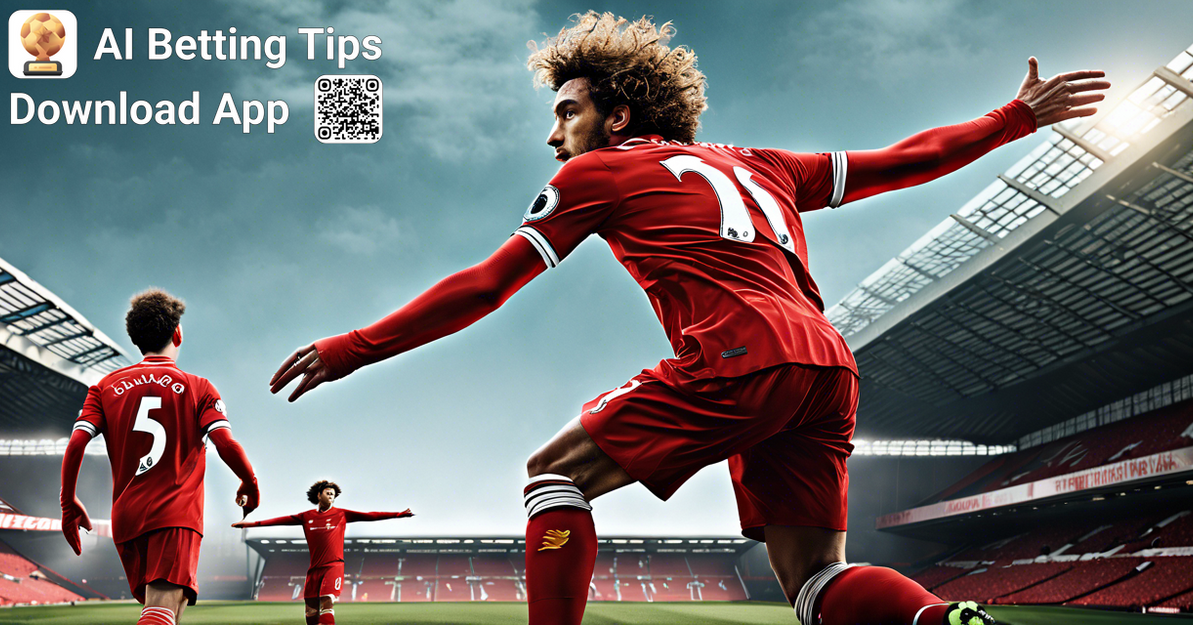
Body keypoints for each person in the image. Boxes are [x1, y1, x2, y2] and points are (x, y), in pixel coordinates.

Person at [268, 12, 1107, 625]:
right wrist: (1015, 118)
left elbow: (489, 284)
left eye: (567, 111)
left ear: (618, 116)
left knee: (554, 475)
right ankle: (935, 619)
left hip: (739, 353)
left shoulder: (597, 175)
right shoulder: (762, 164)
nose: (554, 135)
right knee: (818, 581)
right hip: (828, 365)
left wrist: (354, 347)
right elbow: (902, 162)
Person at [60, 289, 261, 625]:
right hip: (175, 513)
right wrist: (249, 481)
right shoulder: (198, 387)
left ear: (136, 339)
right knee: (161, 610)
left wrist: (68, 501)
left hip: (127, 518)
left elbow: (77, 442)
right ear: (177, 333)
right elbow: (224, 442)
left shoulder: (104, 387)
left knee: (168, 609)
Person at [233, 481, 412, 624]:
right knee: (310, 611)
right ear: (319, 495)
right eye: (328, 492)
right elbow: (278, 521)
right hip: (314, 569)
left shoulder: (341, 514)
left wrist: (398, 514)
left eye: (333, 493)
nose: (331, 495)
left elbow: (371, 515)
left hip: (333, 566)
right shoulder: (306, 516)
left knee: (327, 600)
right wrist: (250, 524)